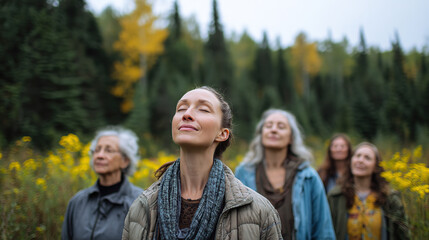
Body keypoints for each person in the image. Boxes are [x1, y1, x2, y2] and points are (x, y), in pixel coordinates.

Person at [122, 86, 282, 240]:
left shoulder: (259, 211)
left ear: (222, 133)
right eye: (181, 109)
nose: (187, 114)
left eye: (203, 109)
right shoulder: (142, 207)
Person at [235, 109, 335, 240]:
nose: (274, 130)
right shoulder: (243, 173)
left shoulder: (308, 176)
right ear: (261, 135)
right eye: (268, 126)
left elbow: (323, 229)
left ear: (291, 138)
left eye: (281, 126)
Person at [62, 126, 143, 240]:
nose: (99, 156)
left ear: (125, 161)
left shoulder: (140, 202)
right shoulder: (77, 202)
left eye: (108, 150)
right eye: (97, 150)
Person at [328, 142, 410, 240]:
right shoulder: (336, 196)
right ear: (351, 161)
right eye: (357, 156)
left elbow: (403, 235)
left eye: (367, 158)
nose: (360, 160)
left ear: (376, 166)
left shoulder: (390, 198)